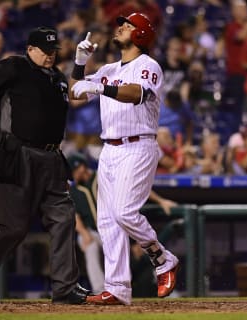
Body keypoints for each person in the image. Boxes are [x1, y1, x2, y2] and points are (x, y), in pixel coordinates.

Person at [0, 26, 89, 305]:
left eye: (53, 51)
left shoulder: (57, 77)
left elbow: (79, 96)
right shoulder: (15, 66)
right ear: (30, 49)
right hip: (18, 153)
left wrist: (81, 64)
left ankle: (65, 288)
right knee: (13, 227)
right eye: (45, 51)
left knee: (63, 217)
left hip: (53, 157)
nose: (50, 56)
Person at [70, 13, 180, 305]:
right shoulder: (108, 68)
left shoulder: (149, 65)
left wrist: (99, 87)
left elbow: (137, 94)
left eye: (128, 25)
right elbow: (74, 94)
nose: (120, 27)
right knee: (107, 222)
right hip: (110, 149)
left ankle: (163, 258)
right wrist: (80, 63)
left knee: (124, 213)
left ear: (141, 34)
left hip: (138, 145)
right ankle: (117, 288)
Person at [68, 153, 177, 295]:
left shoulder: (104, 176)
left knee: (143, 254)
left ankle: (167, 288)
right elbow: (75, 216)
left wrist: (161, 201)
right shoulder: (75, 190)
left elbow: (134, 187)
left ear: (82, 167)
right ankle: (100, 290)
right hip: (94, 233)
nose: (75, 175)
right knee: (89, 245)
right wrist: (84, 233)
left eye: (75, 170)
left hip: (118, 230)